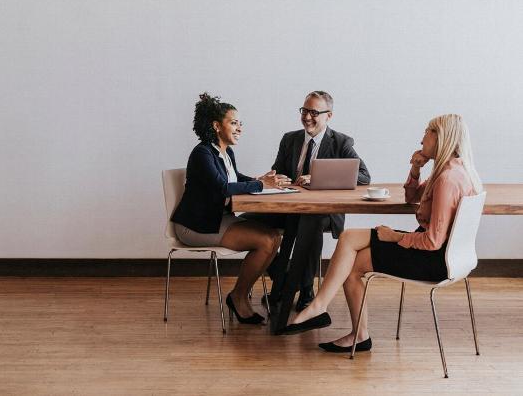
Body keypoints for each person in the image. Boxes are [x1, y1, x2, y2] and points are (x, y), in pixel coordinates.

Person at [284, 114, 483, 353]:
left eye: (428, 131)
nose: (421, 139)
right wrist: (415, 168)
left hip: (433, 259)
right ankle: (320, 306)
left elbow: (432, 241)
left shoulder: (447, 180)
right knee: (348, 238)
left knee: (354, 264)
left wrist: (395, 237)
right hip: (447, 254)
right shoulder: (454, 170)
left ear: (442, 138)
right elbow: (411, 197)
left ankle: (355, 332)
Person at [243, 91, 370, 312]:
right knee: (245, 221)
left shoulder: (340, 142)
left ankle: (305, 290)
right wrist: (275, 178)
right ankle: (284, 280)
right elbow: (279, 171)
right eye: (304, 110)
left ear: (328, 115)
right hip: (289, 207)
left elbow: (364, 177)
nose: (307, 117)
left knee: (311, 224)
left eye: (314, 112)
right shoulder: (289, 139)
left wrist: (319, 178)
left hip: (324, 212)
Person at [171, 93, 287, 324]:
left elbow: (234, 178)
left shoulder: (225, 152)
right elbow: (223, 188)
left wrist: (259, 179)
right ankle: (238, 297)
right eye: (233, 122)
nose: (239, 128)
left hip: (217, 219)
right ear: (216, 125)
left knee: (274, 236)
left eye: (239, 123)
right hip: (196, 226)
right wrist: (260, 184)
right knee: (265, 241)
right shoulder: (202, 153)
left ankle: (257, 292)